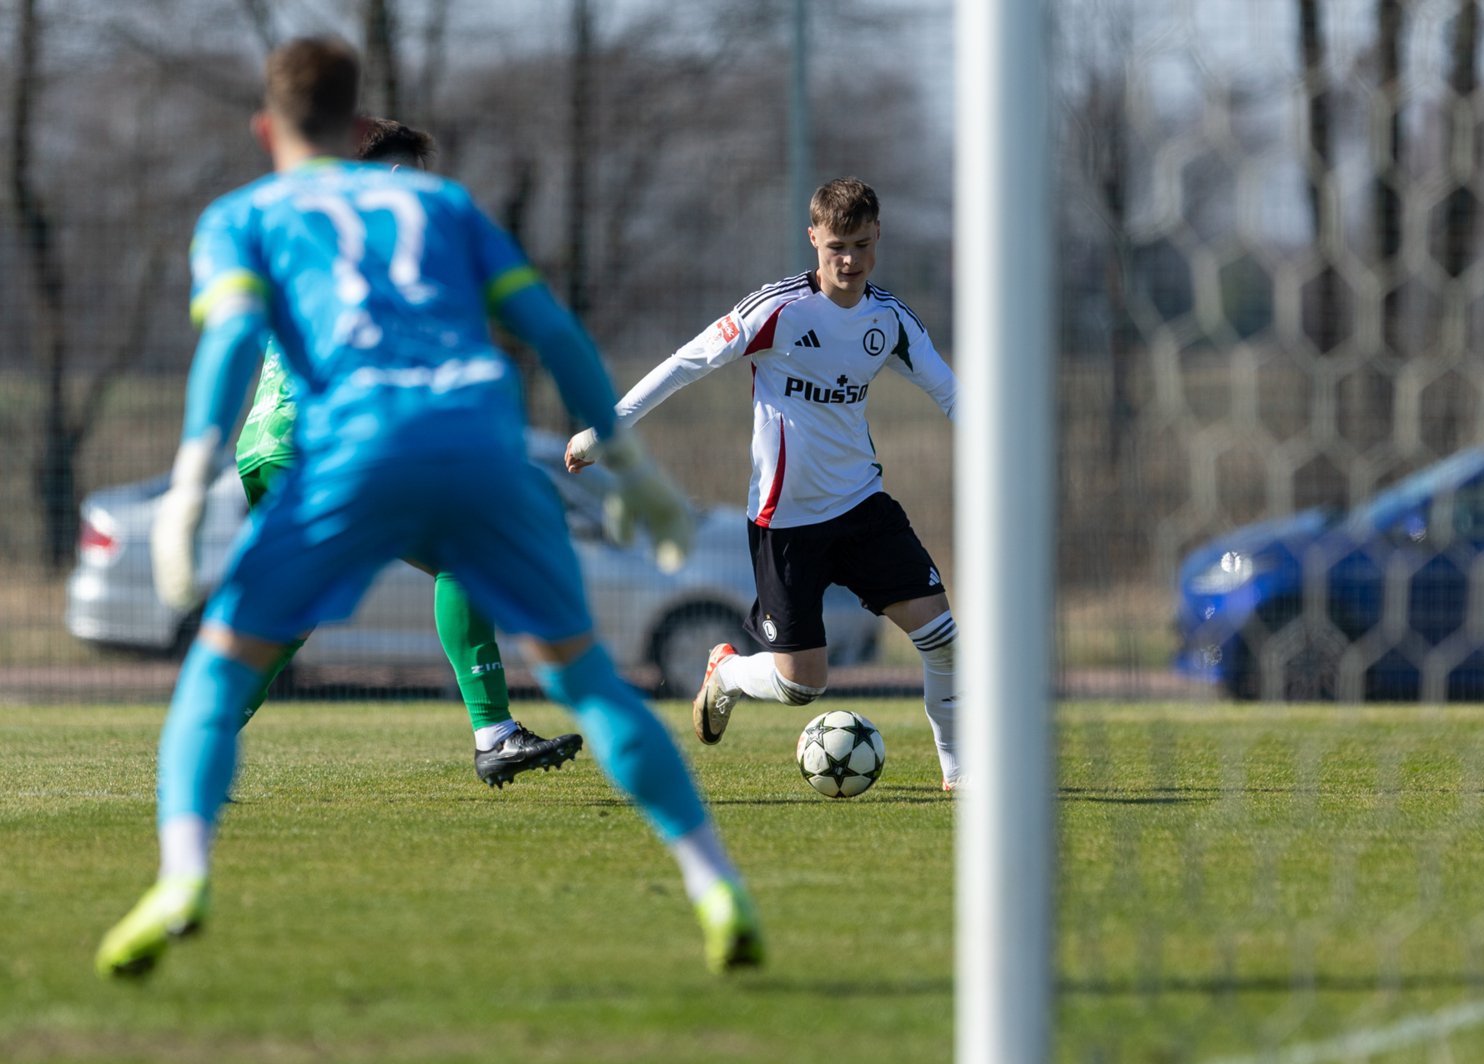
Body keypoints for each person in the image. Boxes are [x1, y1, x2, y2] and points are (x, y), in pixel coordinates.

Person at [95, 36, 762, 980]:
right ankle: (714, 883)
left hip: (336, 450)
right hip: (468, 445)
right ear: (360, 123)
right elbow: (551, 329)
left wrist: (189, 472)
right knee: (588, 677)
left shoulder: (249, 215)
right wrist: (634, 470)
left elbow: (229, 342)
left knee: (230, 657)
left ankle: (180, 878)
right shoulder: (445, 207)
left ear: (267, 126)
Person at [565, 177, 962, 789]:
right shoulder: (777, 310)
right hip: (787, 521)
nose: (849, 260)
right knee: (802, 684)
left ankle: (960, 773)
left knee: (940, 637)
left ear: (878, 235)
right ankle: (724, 673)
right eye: (836, 247)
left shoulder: (891, 321)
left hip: (862, 506)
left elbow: (951, 393)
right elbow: (686, 362)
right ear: (813, 239)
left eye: (860, 244)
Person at [233, 116, 581, 788]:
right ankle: (494, 732)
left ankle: (201, 740)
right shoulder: (380, 247)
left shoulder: (302, 232)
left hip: (267, 447)